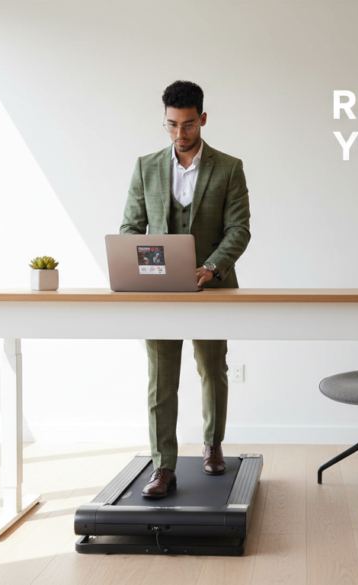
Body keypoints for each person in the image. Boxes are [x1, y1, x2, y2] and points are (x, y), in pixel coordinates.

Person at [119, 80, 252, 498]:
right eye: (173, 125)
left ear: (203, 119)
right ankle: (163, 466)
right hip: (159, 294)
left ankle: (212, 444)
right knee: (161, 380)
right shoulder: (146, 167)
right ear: (165, 120)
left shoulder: (229, 168)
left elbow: (239, 229)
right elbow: (129, 229)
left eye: (189, 124)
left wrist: (210, 267)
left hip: (213, 288)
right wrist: (151, 270)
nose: (180, 134)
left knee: (212, 370)